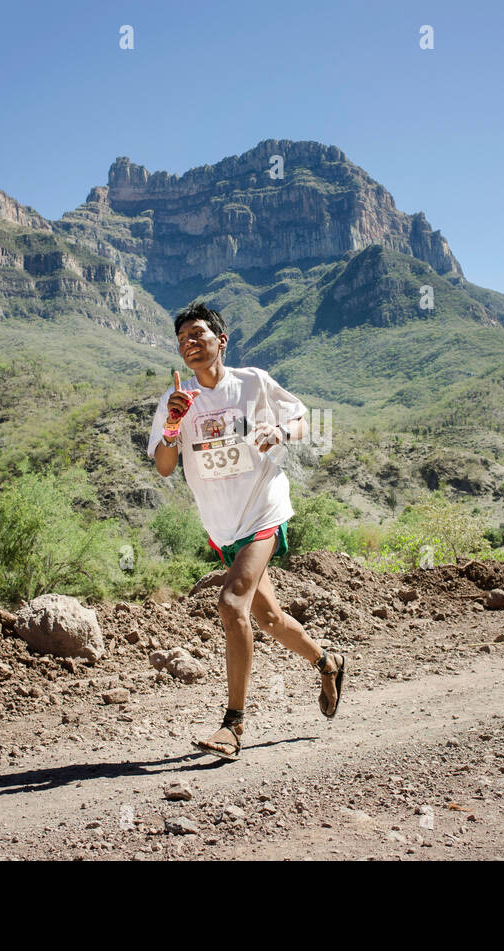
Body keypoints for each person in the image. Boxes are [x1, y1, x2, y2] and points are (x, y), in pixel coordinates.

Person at [147, 302, 346, 760]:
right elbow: (163, 467)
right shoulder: (175, 400)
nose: (189, 345)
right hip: (223, 527)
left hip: (264, 509)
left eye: (198, 335)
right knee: (269, 619)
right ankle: (328, 662)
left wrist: (278, 432)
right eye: (182, 341)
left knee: (231, 603)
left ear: (222, 340)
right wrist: (174, 425)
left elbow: (303, 420)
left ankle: (232, 725)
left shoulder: (252, 382)